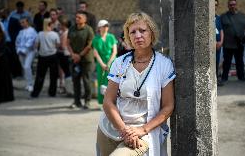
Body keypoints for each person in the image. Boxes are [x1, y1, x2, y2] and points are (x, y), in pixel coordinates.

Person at [96, 12, 175, 156]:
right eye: (132, 32)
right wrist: (125, 130)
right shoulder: (120, 62)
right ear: (128, 37)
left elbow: (168, 106)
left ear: (151, 33)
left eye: (142, 30)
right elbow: (108, 101)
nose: (138, 35)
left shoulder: (164, 64)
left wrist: (142, 130)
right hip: (110, 129)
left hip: (143, 132)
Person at [67, 11, 95, 109]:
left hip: (86, 60)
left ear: (85, 19)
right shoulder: (72, 28)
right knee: (75, 81)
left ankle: (87, 101)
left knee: (86, 80)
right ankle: (76, 101)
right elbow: (68, 43)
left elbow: (89, 45)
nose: (77, 19)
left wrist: (79, 55)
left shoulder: (89, 30)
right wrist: (73, 55)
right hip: (74, 59)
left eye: (79, 17)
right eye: (76, 17)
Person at [220, 0, 245, 83]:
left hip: (239, 44)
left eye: (234, 4)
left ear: (236, 5)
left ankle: (241, 77)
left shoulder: (243, 16)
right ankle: (224, 77)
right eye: (230, 5)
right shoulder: (223, 16)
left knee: (240, 62)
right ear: (228, 6)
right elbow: (219, 29)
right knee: (227, 62)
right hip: (227, 44)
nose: (232, 6)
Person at [31, 19, 60, 98]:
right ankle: (52, 92)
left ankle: (35, 92)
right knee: (53, 75)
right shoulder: (55, 34)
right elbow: (57, 45)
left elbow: (36, 45)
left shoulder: (40, 34)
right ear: (50, 25)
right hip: (52, 56)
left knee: (40, 75)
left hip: (42, 56)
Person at [92, 20, 118, 105]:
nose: (106, 28)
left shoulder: (111, 37)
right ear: (99, 28)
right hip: (101, 63)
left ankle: (113, 101)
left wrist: (110, 62)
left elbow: (114, 51)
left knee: (112, 81)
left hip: (112, 61)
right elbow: (95, 53)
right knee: (101, 81)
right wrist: (102, 64)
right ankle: (102, 102)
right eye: (104, 26)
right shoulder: (96, 39)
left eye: (107, 26)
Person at [8, 1, 33, 77]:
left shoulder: (27, 14)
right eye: (18, 8)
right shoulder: (12, 14)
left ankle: (27, 72)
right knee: (16, 55)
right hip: (15, 37)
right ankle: (17, 72)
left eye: (21, 8)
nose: (19, 9)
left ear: (23, 7)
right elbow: (10, 27)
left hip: (25, 37)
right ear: (16, 7)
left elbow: (31, 24)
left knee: (26, 54)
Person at [15, 17, 38, 92]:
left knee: (27, 66)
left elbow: (31, 41)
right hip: (20, 52)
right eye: (21, 22)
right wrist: (18, 50)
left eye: (23, 22)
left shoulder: (32, 30)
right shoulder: (21, 31)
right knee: (24, 67)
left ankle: (31, 84)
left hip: (29, 51)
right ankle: (28, 83)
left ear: (27, 22)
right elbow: (17, 41)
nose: (22, 24)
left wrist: (24, 50)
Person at [0, 12, 14, 103]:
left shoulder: (0, 32)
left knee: (2, 77)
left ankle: (3, 97)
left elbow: (3, 45)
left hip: (1, 57)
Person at [57, 15, 72, 94]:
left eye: (59, 24)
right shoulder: (65, 32)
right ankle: (66, 88)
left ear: (63, 25)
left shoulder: (65, 33)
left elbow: (63, 46)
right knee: (67, 72)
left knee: (67, 73)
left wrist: (57, 45)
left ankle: (68, 89)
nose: (58, 26)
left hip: (65, 55)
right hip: (65, 54)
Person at [215, 0, 224, 86]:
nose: (214, 6)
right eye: (213, 4)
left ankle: (217, 79)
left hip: (218, 45)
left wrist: (221, 42)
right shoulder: (206, 18)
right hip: (211, 45)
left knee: (218, 62)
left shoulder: (218, 18)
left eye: (216, 5)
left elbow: (221, 30)